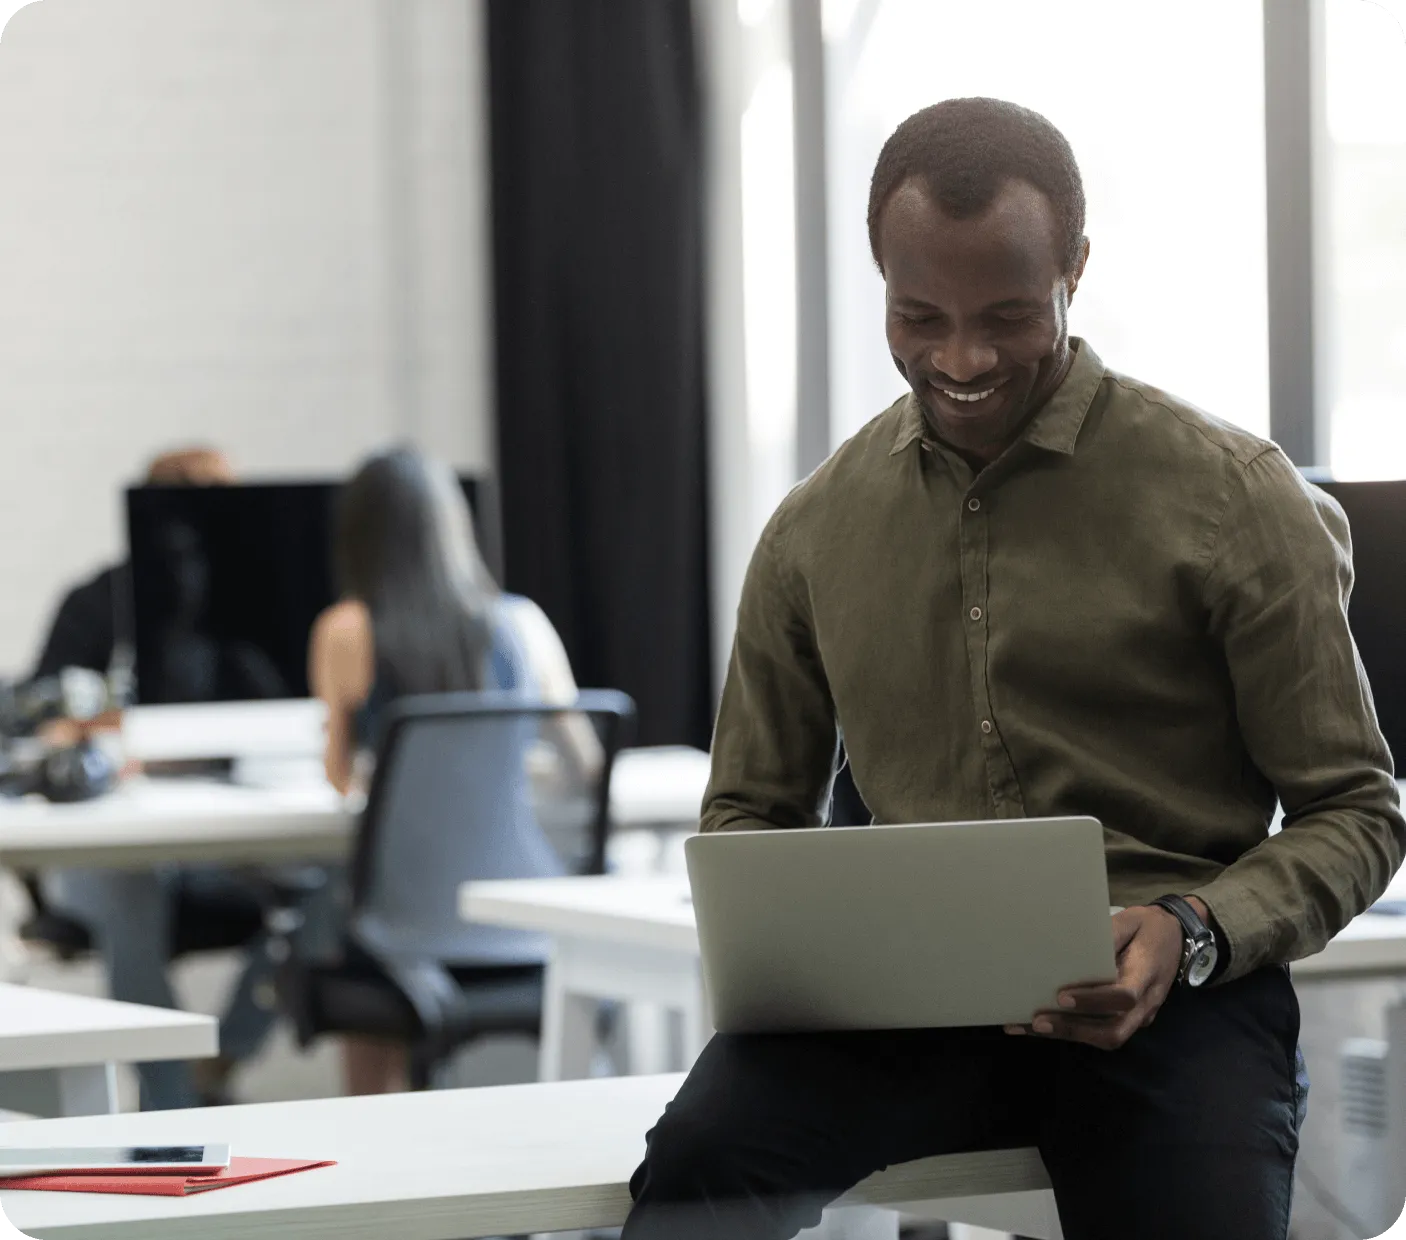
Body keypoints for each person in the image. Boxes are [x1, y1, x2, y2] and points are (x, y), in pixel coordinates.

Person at [622, 98, 1405, 1240]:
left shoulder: (1236, 498)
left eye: (1003, 315)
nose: (960, 359)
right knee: (694, 1174)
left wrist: (1188, 927)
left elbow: (1355, 811)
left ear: (1073, 270)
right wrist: (796, 942)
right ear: (877, 273)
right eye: (917, 315)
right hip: (902, 1014)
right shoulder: (811, 532)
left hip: (1173, 1004)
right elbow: (748, 808)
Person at [308, 445, 598, 1094]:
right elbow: (585, 762)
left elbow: (338, 775)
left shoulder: (347, 630)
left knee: (337, 921)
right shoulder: (523, 624)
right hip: (527, 919)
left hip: (403, 928)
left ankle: (370, 1133)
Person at [35, 446, 284, 1111]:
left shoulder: (243, 630)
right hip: (116, 847)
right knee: (129, 888)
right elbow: (40, 722)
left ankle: (221, 1060)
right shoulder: (98, 603)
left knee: (325, 893)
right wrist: (120, 734)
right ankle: (173, 1120)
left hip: (225, 846)